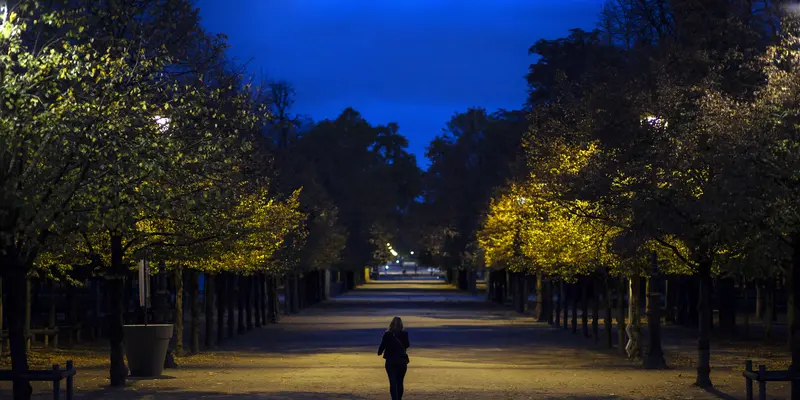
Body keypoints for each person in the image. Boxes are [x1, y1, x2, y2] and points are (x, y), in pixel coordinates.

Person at [377, 316, 410, 400]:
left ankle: (394, 399)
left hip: (390, 361)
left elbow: (381, 349)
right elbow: (407, 345)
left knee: (392, 383)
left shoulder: (387, 334)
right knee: (400, 382)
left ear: (391, 324)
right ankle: (399, 398)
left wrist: (380, 352)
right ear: (401, 324)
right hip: (402, 361)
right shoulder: (405, 334)